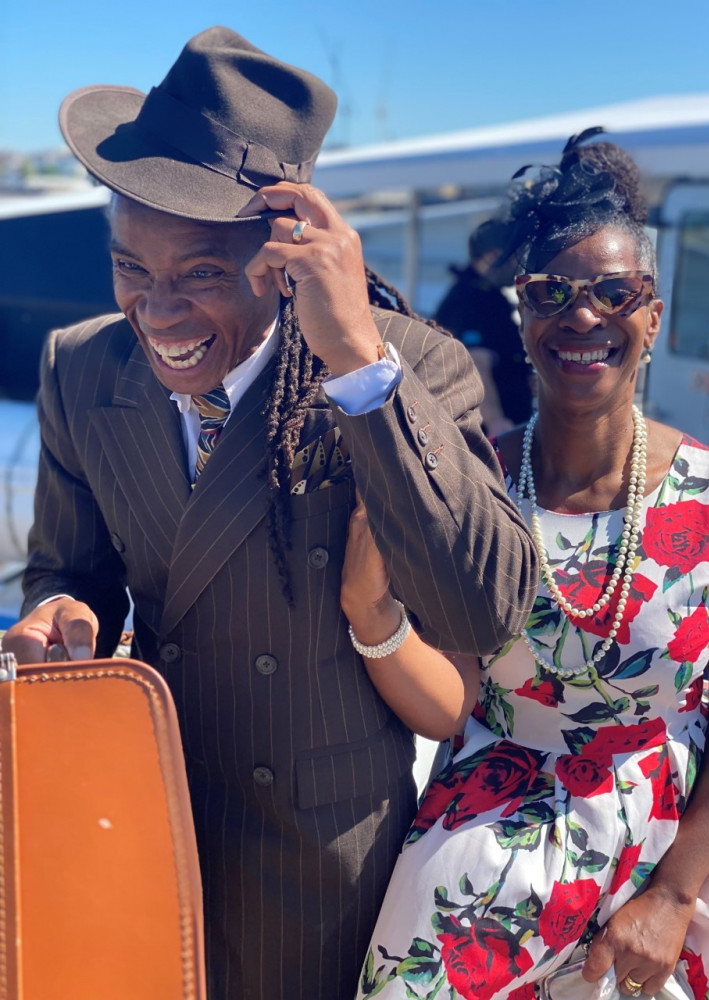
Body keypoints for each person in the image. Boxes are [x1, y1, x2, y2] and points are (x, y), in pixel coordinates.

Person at [2, 27, 539, 1000]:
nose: (158, 313)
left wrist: (359, 364)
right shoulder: (81, 368)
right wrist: (62, 616)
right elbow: (69, 569)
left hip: (318, 866)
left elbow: (483, 612)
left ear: (290, 251)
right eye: (131, 268)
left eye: (202, 273)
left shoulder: (401, 372)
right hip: (137, 824)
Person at [343, 134, 709, 999]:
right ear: (522, 314)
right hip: (487, 848)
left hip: (671, 850)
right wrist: (370, 613)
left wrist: (675, 894)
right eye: (550, 293)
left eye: (614, 292)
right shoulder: (472, 482)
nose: (582, 315)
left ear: (655, 314)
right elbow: (450, 703)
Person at [434, 218, 533, 436]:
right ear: (494, 256)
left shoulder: (483, 295)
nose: (520, 263)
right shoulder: (473, 300)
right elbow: (476, 364)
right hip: (492, 432)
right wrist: (496, 422)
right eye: (516, 255)